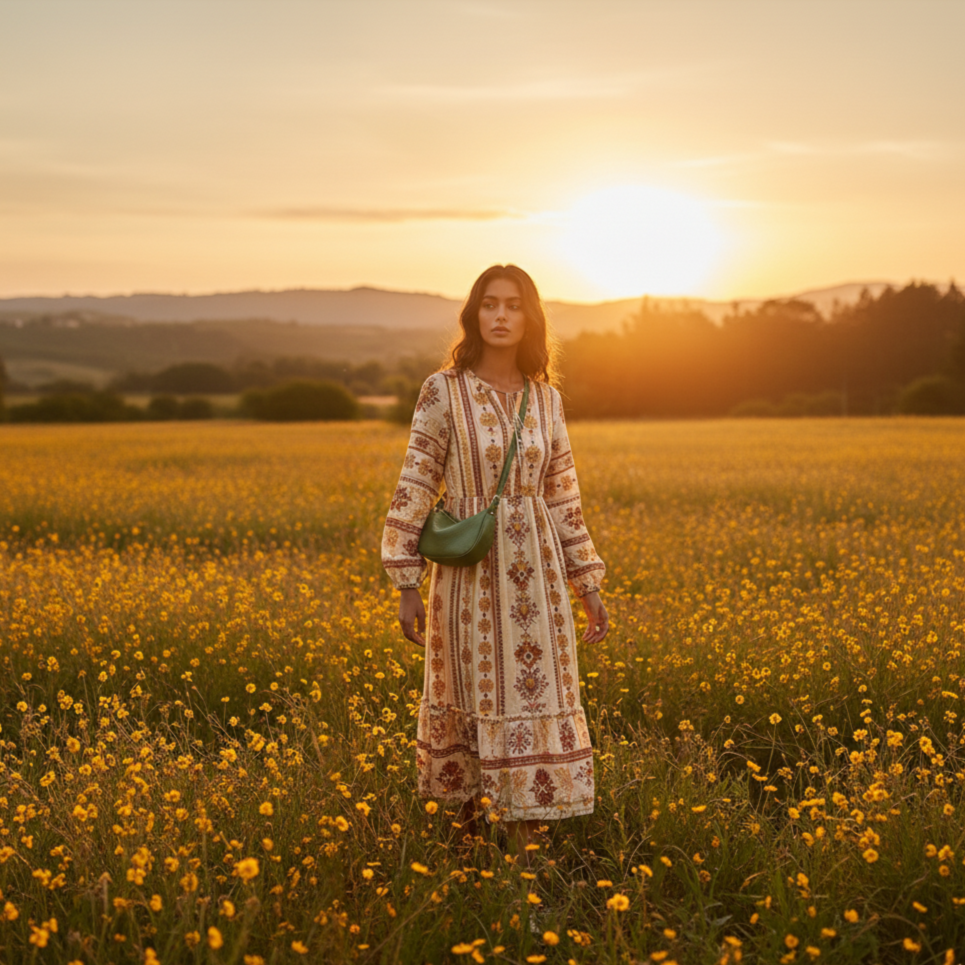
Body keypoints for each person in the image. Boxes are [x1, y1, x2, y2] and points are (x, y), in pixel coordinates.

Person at [381, 264, 608, 857]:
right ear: (474, 315)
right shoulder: (442, 390)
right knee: (471, 696)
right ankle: (469, 855)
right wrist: (406, 579)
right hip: (467, 579)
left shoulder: (547, 399)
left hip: (539, 581)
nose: (501, 316)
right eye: (490, 304)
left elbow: (564, 496)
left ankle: (526, 865)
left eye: (513, 305)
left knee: (533, 698)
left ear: (531, 317)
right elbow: (415, 481)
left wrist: (587, 582)